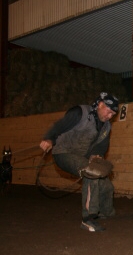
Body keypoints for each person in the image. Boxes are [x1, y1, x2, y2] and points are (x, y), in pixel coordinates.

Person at [39, 92, 119, 232]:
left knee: (106, 185)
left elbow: (101, 147)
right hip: (63, 153)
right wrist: (49, 138)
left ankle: (106, 212)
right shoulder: (80, 113)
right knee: (92, 172)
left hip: (82, 157)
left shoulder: (106, 127)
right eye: (108, 112)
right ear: (100, 104)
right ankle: (88, 219)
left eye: (113, 114)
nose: (110, 116)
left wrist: (97, 157)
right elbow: (60, 125)